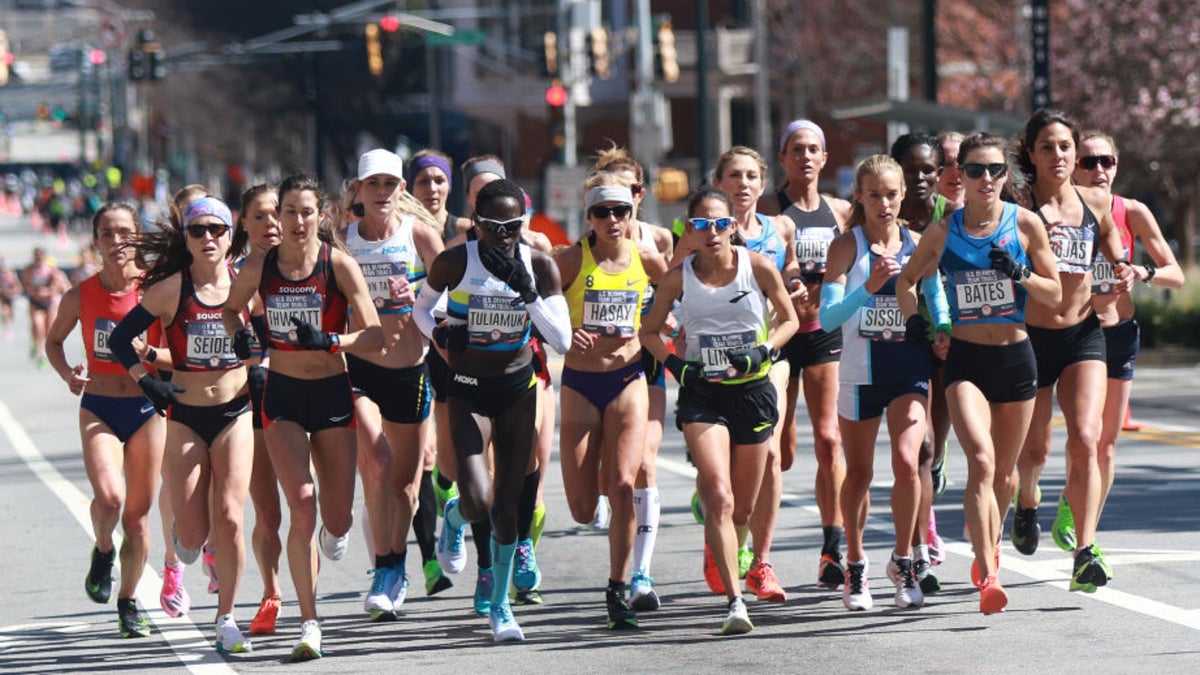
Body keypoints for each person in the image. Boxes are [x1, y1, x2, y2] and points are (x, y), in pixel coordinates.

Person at [897, 132, 1061, 614]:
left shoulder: (1025, 224)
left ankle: (989, 541)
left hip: (1015, 359)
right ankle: (988, 570)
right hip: (965, 362)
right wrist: (918, 327)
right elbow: (908, 282)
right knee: (983, 465)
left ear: (1005, 176)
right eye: (974, 170)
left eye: (994, 170)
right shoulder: (944, 230)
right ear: (959, 176)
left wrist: (1018, 272)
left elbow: (1055, 295)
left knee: (1005, 476)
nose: (985, 179)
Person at [222, 174, 383, 661]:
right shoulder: (259, 266)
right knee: (302, 505)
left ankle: (339, 530)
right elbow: (230, 311)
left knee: (333, 516)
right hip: (284, 395)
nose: (294, 221)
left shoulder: (339, 265)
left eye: (305, 211)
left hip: (333, 393)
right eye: (286, 212)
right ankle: (310, 622)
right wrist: (242, 337)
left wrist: (335, 341)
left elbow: (375, 335)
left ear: (321, 216)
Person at [413, 178, 571, 642]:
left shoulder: (539, 266)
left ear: (523, 223)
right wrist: (441, 338)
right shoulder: (455, 261)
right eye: (493, 227)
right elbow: (422, 312)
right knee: (479, 501)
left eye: (513, 227)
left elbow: (560, 340)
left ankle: (501, 608)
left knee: (507, 510)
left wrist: (528, 294)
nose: (503, 236)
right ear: (477, 223)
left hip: (518, 390)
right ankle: (456, 520)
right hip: (466, 389)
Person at [640, 187, 798, 635]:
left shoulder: (758, 267)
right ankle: (735, 602)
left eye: (720, 223)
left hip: (752, 393)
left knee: (742, 508)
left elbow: (787, 320)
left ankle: (726, 547)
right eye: (701, 224)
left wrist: (762, 353)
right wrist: (677, 367)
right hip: (703, 395)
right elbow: (650, 332)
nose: (711, 233)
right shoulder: (677, 277)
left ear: (732, 226)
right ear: (689, 229)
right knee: (720, 494)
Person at [108, 196, 255, 654]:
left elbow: (274, 337)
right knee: (192, 537)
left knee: (231, 517)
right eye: (199, 231)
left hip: (236, 411)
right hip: (186, 417)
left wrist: (262, 364)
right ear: (187, 239)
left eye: (217, 229)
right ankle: (183, 539)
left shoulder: (246, 285)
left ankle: (227, 617)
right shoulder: (170, 290)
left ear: (231, 236)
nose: (209, 238)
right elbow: (118, 339)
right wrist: (148, 384)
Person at [819, 154, 950, 610]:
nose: (884, 203)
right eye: (874, 195)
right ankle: (856, 565)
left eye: (891, 194)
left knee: (907, 459)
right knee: (858, 473)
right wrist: (868, 286)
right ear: (859, 196)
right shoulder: (846, 247)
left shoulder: (917, 242)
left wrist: (944, 330)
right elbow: (828, 317)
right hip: (858, 374)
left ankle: (903, 560)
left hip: (908, 369)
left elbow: (933, 293)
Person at [1012, 109, 1131, 591]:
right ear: (1031, 154)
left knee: (1086, 437)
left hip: (1084, 332)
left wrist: (1122, 266)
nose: (1058, 155)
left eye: (1065, 146)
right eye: (1047, 147)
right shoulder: (1016, 204)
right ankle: (1026, 501)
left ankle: (1084, 550)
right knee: (1035, 447)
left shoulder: (1095, 202)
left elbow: (1112, 244)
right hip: (1032, 337)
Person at [1053, 131, 1184, 558]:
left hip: (1119, 333)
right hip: (1072, 336)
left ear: (1117, 163)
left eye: (1106, 161)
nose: (1098, 170)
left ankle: (1081, 522)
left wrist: (1142, 274)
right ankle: (1042, 496)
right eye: (1088, 162)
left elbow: (1174, 273)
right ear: (1074, 166)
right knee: (1083, 438)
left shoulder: (1132, 211)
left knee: (1106, 444)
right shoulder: (1057, 210)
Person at [44, 202, 163, 638]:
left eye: (125, 233)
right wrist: (67, 374)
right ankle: (102, 549)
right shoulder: (80, 294)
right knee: (110, 500)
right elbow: (54, 342)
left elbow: (175, 347)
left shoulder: (155, 291)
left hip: (148, 410)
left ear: (137, 237)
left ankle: (128, 602)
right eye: (108, 234)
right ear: (95, 241)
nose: (117, 242)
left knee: (138, 518)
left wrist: (156, 361)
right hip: (99, 406)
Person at [555, 172, 666, 628]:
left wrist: (663, 326)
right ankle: (600, 507)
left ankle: (618, 588)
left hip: (628, 379)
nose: (613, 220)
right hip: (580, 385)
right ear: (590, 218)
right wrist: (566, 333)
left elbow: (677, 296)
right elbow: (539, 307)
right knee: (583, 509)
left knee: (623, 482)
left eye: (621, 211)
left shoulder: (646, 257)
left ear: (632, 212)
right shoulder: (570, 260)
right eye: (603, 212)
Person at [343, 149, 445, 621]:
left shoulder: (419, 234)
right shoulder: (342, 242)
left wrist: (421, 292)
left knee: (405, 483)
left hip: (409, 369)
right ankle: (383, 563)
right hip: (359, 370)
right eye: (372, 184)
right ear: (359, 190)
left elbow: (455, 287)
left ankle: (393, 569)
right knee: (378, 465)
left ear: (401, 189)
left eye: (389, 184)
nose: (381, 192)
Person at [759, 119, 852, 587]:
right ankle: (756, 552)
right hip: (778, 334)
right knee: (781, 450)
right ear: (783, 159)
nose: (806, 158)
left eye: (813, 149)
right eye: (796, 150)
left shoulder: (841, 210)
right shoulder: (768, 209)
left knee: (829, 438)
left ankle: (832, 547)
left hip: (821, 332)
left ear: (825, 157)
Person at [704, 146, 795, 602]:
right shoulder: (701, 230)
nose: (742, 184)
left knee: (773, 455)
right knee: (722, 474)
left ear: (763, 184)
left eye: (750, 177)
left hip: (767, 356)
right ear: (719, 182)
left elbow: (787, 289)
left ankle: (761, 562)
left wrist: (795, 283)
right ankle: (721, 527)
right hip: (713, 364)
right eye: (733, 176)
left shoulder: (779, 230)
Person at [589, 145, 674, 609]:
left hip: (646, 360)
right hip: (599, 366)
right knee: (612, 469)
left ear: (640, 194)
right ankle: (610, 502)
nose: (621, 207)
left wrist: (670, 319)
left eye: (632, 193)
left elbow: (678, 292)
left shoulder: (658, 240)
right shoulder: (590, 244)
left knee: (644, 462)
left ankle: (639, 574)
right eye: (609, 201)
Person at [890, 131, 953, 586]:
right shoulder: (883, 215)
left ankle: (924, 525)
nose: (920, 178)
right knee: (921, 447)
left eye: (928, 169)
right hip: (903, 340)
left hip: (948, 342)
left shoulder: (952, 217)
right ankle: (920, 548)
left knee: (934, 452)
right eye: (910, 169)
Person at [229, 184, 286, 635]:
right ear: (243, 223)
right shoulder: (229, 276)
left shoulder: (312, 268)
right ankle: (273, 593)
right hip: (251, 399)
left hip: (309, 394)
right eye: (260, 217)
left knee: (313, 510)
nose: (271, 225)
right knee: (270, 513)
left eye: (277, 215)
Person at [22, 245, 70, 369]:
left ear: (44, 257)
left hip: (50, 302)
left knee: (48, 329)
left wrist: (48, 291)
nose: (38, 259)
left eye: (40, 256)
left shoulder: (51, 271)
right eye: (36, 256)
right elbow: (26, 285)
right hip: (36, 302)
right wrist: (33, 291)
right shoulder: (29, 270)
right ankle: (40, 353)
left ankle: (47, 350)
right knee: (38, 326)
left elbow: (60, 286)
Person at [410, 149, 471, 241]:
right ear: (412, 188)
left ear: (449, 186)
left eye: (439, 181)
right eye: (423, 181)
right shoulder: (401, 233)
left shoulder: (467, 230)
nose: (432, 189)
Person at [935, 131, 966, 207]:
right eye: (948, 165)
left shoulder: (983, 210)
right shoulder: (922, 213)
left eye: (961, 164)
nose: (956, 172)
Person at [0, 257, 20, 340]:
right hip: (1, 296)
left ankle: (7, 326)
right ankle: (6, 329)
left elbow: (18, 287)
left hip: (8, 296)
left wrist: (12, 292)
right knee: (3, 312)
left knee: (9, 314)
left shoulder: (11, 274)